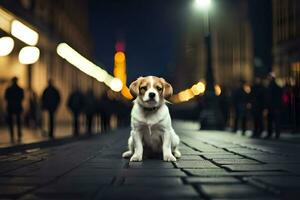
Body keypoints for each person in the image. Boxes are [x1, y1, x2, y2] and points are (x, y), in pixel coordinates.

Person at [4, 77, 24, 142]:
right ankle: (18, 135)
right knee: (18, 122)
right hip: (17, 107)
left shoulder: (9, 89)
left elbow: (6, 97)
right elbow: (22, 97)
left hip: (11, 107)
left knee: (11, 122)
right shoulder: (20, 89)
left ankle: (12, 136)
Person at [265, 73, 282, 139]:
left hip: (272, 106)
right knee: (276, 121)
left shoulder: (270, 87)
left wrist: (266, 106)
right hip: (276, 106)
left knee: (271, 121)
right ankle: (277, 134)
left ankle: (270, 133)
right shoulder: (277, 87)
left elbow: (268, 98)